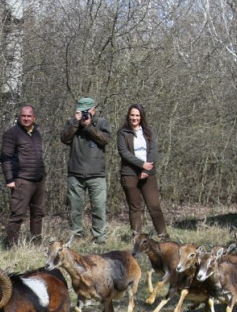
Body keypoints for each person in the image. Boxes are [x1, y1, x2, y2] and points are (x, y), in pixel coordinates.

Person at [60, 97, 111, 243]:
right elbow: (64, 139)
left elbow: (105, 140)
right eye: (81, 111)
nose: (83, 114)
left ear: (93, 111)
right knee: (75, 207)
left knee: (99, 207)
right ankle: (75, 235)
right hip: (75, 173)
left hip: (97, 173)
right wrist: (76, 124)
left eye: (86, 111)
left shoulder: (101, 123)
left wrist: (89, 126)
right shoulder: (72, 123)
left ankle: (99, 236)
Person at [117, 104, 169, 238]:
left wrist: (146, 168)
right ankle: (137, 238)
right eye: (132, 115)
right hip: (130, 174)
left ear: (141, 117)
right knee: (135, 208)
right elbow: (124, 152)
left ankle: (163, 236)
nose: (134, 118)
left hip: (148, 173)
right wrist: (141, 165)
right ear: (128, 116)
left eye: (137, 115)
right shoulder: (123, 133)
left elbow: (153, 151)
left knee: (154, 206)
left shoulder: (149, 131)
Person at [0, 105, 47, 246]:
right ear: (19, 117)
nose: (26, 118)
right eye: (23, 116)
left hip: (39, 179)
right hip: (22, 180)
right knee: (17, 214)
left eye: (29, 116)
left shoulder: (37, 133)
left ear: (34, 118)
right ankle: (11, 246)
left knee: (38, 213)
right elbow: (5, 158)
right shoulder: (12, 133)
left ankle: (36, 244)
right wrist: (9, 179)